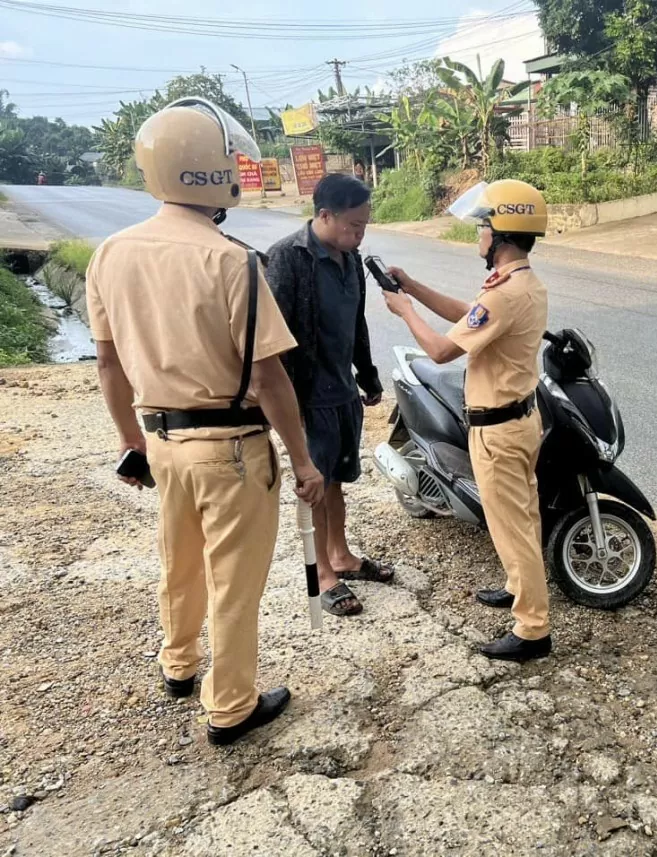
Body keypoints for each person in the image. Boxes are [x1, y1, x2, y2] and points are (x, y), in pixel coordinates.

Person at [85, 97, 325, 746]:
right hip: (233, 448)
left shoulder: (110, 253)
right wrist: (302, 461)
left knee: (180, 563)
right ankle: (230, 706)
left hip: (161, 441)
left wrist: (131, 441)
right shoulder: (232, 260)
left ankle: (179, 664)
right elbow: (270, 378)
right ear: (215, 171)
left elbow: (109, 366)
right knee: (234, 583)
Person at [382, 179, 552, 662]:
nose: (477, 235)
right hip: (519, 421)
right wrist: (414, 285)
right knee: (521, 518)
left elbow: (439, 350)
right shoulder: (520, 285)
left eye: (482, 227)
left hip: (498, 430)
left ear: (500, 234)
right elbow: (469, 317)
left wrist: (405, 310)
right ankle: (520, 587)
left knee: (511, 527)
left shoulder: (504, 294)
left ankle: (533, 630)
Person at [266, 173, 391, 618]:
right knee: (314, 486)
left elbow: (356, 323)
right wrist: (285, 406)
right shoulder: (287, 257)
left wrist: (369, 374)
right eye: (354, 225)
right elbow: (272, 338)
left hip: (342, 393)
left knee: (337, 480)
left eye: (365, 225)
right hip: (308, 396)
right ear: (324, 215)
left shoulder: (349, 258)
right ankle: (318, 575)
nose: (360, 234)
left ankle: (339, 555)